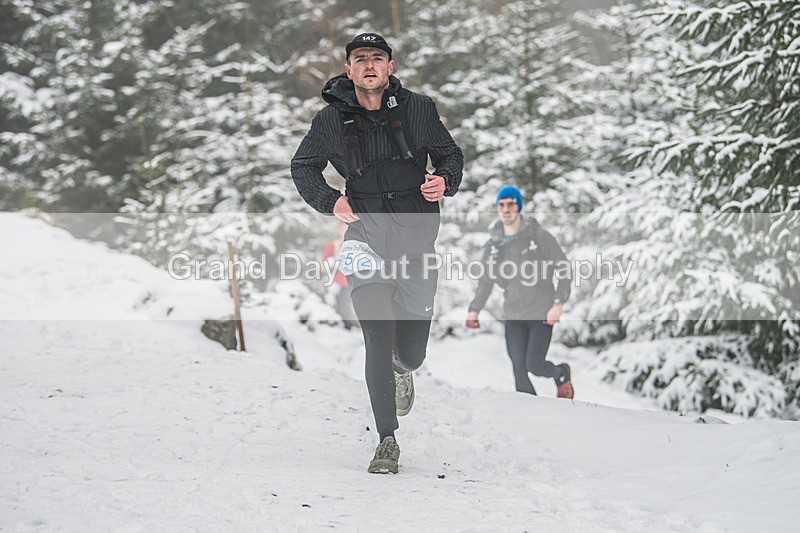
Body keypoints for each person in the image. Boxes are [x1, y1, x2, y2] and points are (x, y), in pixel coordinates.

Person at [291, 32, 463, 474]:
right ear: (348, 69)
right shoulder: (331, 120)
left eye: (378, 57)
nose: (369, 64)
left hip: (416, 240)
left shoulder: (419, 109)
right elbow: (303, 165)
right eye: (360, 58)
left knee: (410, 353)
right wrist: (331, 201)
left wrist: (444, 180)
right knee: (377, 335)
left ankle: (402, 369)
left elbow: (450, 156)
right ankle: (387, 439)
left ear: (390, 66)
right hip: (363, 237)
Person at [466, 185, 574, 399]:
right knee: (518, 367)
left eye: (511, 204)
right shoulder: (494, 245)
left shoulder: (539, 237)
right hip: (513, 314)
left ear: (519, 207)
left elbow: (564, 268)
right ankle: (531, 412)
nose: (506, 209)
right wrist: (474, 310)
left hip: (541, 312)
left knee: (534, 365)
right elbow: (486, 280)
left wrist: (558, 303)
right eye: (501, 205)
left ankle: (561, 373)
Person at [321, 224, 357, 329]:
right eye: (343, 230)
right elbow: (323, 261)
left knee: (345, 307)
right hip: (334, 282)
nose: (346, 233)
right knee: (332, 305)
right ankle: (333, 326)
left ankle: (346, 328)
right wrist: (331, 262)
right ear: (340, 232)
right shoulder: (334, 245)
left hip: (349, 282)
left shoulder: (356, 246)